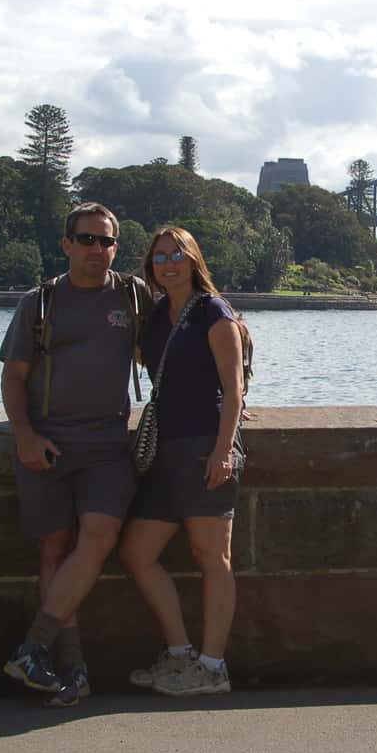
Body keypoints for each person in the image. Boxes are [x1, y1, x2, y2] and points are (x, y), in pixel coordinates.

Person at [0, 202, 150, 707]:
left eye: (106, 241)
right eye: (86, 240)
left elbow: (181, 340)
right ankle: (71, 669)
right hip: (49, 443)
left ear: (116, 247)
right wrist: (23, 434)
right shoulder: (38, 304)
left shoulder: (132, 297)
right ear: (66, 245)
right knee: (54, 551)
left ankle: (32, 648)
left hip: (108, 445)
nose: (96, 250)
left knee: (99, 539)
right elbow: (14, 377)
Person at [120, 225, 246, 697]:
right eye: (159, 256)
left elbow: (234, 389)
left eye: (177, 254)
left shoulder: (214, 312)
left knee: (212, 557)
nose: (168, 263)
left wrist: (222, 450)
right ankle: (179, 655)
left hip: (203, 446)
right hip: (164, 450)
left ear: (194, 259)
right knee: (137, 553)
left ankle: (212, 668)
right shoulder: (155, 316)